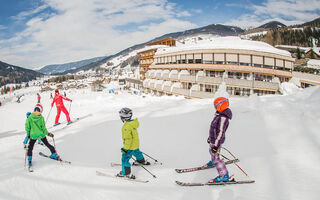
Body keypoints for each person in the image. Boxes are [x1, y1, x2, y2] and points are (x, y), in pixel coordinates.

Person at [117, 108, 150, 179]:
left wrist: (125, 148)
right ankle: (141, 161)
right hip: (135, 144)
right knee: (136, 152)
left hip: (129, 146)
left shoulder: (126, 127)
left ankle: (125, 173)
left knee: (125, 158)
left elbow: (128, 139)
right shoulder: (133, 123)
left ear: (123, 117)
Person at [206, 97, 232, 183]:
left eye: (216, 106)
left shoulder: (223, 118)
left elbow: (220, 132)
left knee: (216, 158)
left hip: (217, 141)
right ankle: (213, 161)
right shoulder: (219, 114)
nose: (215, 107)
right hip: (214, 140)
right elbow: (214, 128)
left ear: (221, 106)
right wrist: (210, 138)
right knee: (211, 151)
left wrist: (216, 145)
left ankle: (224, 175)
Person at [25, 104, 59, 169]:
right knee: (47, 144)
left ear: (34, 110)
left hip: (33, 135)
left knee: (30, 148)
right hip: (41, 134)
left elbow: (27, 127)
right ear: (40, 111)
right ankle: (54, 154)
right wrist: (48, 134)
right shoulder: (41, 118)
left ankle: (29, 160)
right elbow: (43, 128)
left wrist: (28, 135)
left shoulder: (29, 118)